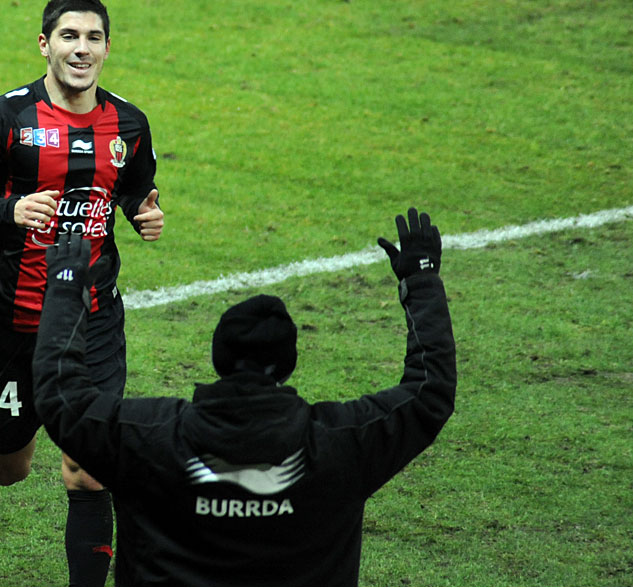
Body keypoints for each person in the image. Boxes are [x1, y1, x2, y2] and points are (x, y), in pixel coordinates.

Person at [33, 208, 456, 586]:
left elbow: (61, 396)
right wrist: (420, 281)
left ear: (218, 359)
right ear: (288, 365)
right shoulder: (342, 442)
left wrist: (67, 289)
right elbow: (428, 392)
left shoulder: (147, 437)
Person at [0, 0, 163, 586]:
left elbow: (133, 185)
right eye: (69, 36)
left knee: (89, 468)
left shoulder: (129, 123)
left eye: (93, 38)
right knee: (14, 466)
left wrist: (142, 211)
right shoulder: (6, 116)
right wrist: (8, 212)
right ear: (44, 44)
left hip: (94, 317)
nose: (81, 49)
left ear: (107, 47)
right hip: (16, 322)